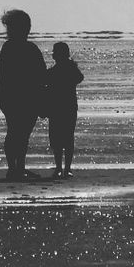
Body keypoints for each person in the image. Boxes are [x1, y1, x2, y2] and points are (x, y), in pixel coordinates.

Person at [0, 8, 47, 181]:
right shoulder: (20, 48)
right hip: (19, 96)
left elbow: (40, 74)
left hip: (14, 96)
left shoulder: (13, 47)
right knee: (18, 132)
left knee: (19, 132)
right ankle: (15, 168)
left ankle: (17, 168)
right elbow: (41, 75)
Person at [44, 41, 84, 179]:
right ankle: (65, 168)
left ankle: (61, 168)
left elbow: (79, 78)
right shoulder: (68, 69)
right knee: (66, 138)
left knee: (58, 139)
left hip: (58, 107)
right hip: (67, 107)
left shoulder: (55, 72)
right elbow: (79, 78)